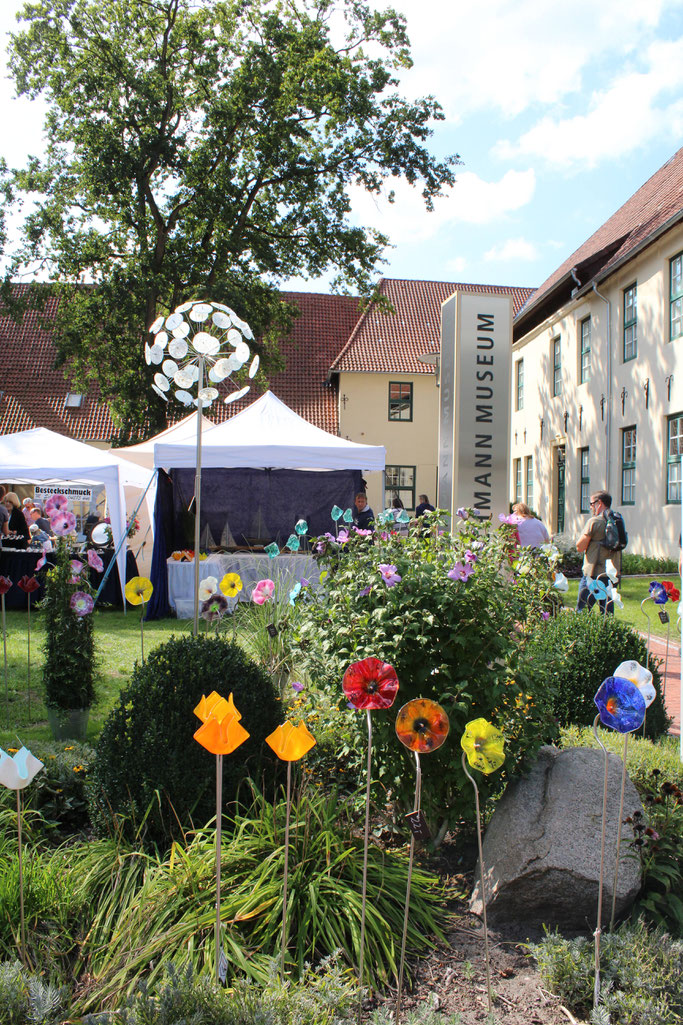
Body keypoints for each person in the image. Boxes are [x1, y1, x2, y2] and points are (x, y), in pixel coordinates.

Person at [576, 490, 620, 615]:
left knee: (582, 609)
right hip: (611, 574)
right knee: (607, 612)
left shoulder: (594, 521)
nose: (590, 507)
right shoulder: (617, 520)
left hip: (593, 572)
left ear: (599, 503)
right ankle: (606, 633)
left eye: (591, 504)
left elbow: (580, 546)